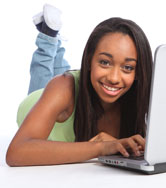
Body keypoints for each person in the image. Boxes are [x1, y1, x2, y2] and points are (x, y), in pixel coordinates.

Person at [6, 4, 153, 166]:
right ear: (89, 60)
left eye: (127, 67)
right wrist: (99, 147)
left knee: (62, 70)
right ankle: (48, 36)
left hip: (77, 89)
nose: (114, 78)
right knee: (45, 72)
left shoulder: (138, 96)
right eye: (105, 62)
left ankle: (58, 44)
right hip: (38, 101)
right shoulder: (63, 87)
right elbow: (17, 152)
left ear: (138, 71)